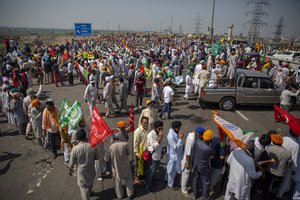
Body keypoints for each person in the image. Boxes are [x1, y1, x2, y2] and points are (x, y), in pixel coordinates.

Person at [69, 129, 99, 200]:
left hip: (81, 172)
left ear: (78, 139)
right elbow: (97, 157)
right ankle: (90, 192)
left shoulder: (75, 149)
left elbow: (71, 163)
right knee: (90, 182)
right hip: (91, 169)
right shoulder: (92, 146)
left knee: (83, 188)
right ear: (85, 137)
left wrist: (70, 170)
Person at [105, 132, 134, 200]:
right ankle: (130, 193)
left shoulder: (111, 147)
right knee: (128, 179)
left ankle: (119, 195)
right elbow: (128, 153)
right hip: (125, 165)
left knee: (117, 181)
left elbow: (107, 158)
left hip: (115, 166)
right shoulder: (125, 144)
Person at [263, 134, 293, 200]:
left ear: (273, 142)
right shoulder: (287, 153)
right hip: (279, 174)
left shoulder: (269, 148)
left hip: (269, 171)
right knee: (275, 189)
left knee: (266, 186)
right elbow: (289, 165)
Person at [181, 127, 206, 196]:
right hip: (187, 158)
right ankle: (184, 189)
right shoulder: (191, 139)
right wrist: (188, 163)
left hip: (191, 157)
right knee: (186, 174)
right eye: (201, 135)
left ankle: (184, 185)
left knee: (187, 174)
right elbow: (188, 153)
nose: (201, 136)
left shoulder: (193, 135)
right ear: (198, 133)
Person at [191, 130, 215, 200]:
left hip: (196, 164)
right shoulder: (209, 148)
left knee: (195, 179)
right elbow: (213, 154)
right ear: (210, 139)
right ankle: (205, 197)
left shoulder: (197, 142)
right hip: (204, 167)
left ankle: (194, 195)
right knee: (206, 182)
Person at [146, 120, 164, 193]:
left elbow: (160, 145)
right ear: (155, 128)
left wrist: (162, 152)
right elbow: (154, 146)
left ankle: (154, 179)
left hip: (158, 155)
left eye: (162, 128)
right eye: (159, 128)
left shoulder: (159, 133)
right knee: (151, 173)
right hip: (153, 157)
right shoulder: (151, 135)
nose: (161, 130)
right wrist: (160, 137)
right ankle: (149, 187)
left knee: (155, 170)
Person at [166, 121, 184, 190]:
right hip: (173, 157)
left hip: (176, 156)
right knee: (172, 172)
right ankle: (170, 185)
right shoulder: (170, 136)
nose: (180, 129)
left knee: (173, 171)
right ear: (175, 128)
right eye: (179, 128)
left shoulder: (174, 133)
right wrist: (180, 139)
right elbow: (175, 148)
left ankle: (167, 180)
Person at [133, 116, 149, 184]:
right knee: (139, 166)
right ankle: (136, 178)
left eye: (147, 123)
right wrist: (137, 153)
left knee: (145, 165)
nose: (146, 124)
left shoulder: (148, 128)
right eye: (144, 123)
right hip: (140, 152)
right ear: (141, 122)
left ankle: (143, 177)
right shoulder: (137, 131)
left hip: (146, 151)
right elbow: (135, 143)